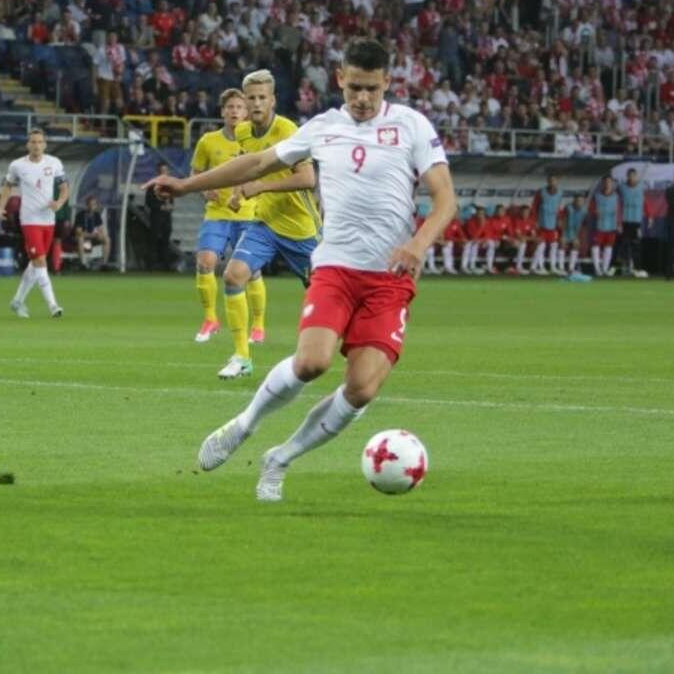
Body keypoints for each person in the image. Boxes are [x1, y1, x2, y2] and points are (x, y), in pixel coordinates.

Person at [145, 38, 456, 502]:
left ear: (387, 82)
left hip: (389, 279)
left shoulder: (411, 125)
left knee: (361, 389)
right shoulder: (323, 127)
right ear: (340, 80)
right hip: (335, 268)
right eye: (354, 87)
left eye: (372, 88)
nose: (363, 98)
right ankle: (244, 424)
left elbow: (445, 199)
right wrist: (187, 185)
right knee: (312, 362)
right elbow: (256, 162)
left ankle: (280, 458)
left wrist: (417, 243)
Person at [215, 69, 319, 380]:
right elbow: (247, 168)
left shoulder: (289, 130)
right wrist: (238, 193)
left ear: (273, 100)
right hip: (265, 224)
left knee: (325, 294)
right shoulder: (243, 132)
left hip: (301, 229)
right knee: (233, 275)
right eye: (252, 98)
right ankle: (242, 357)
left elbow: (307, 178)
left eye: (262, 97)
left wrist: (260, 187)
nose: (257, 103)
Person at [189, 88, 253, 342]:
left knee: (251, 273)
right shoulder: (208, 141)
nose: (234, 111)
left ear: (246, 112)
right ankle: (210, 319)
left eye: (239, 107)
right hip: (217, 213)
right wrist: (204, 190)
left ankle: (258, 326)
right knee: (205, 262)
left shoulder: (254, 140)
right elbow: (196, 173)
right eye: (230, 107)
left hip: (247, 213)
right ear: (223, 112)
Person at [0, 129, 68, 317]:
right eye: (33, 142)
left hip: (49, 219)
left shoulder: (54, 163)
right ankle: (53, 305)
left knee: (36, 262)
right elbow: (7, 186)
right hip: (29, 219)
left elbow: (64, 188)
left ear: (45, 144)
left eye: (40, 142)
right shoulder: (17, 165)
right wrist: (1, 208)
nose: (36, 145)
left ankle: (17, 301)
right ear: (27, 145)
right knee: (40, 261)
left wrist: (59, 203)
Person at [618, 168, 649, 277]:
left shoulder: (641, 187)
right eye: (630, 176)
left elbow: (645, 202)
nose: (632, 178)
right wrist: (618, 222)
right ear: (627, 176)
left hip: (637, 222)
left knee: (636, 245)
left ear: (636, 176)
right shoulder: (621, 187)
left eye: (634, 176)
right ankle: (626, 268)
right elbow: (618, 204)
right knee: (625, 245)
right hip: (625, 221)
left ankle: (637, 268)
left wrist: (650, 216)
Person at [145, 162, 174, 270]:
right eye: (162, 171)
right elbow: (148, 202)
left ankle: (166, 265)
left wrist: (170, 206)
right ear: (158, 172)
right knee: (153, 239)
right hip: (156, 216)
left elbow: (171, 200)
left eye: (166, 171)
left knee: (166, 240)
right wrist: (160, 207)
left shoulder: (170, 185)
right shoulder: (152, 186)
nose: (165, 173)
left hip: (167, 217)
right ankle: (150, 265)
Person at [530, 175, 562, 275]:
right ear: (547, 182)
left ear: (557, 181)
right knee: (541, 245)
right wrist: (535, 221)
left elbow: (558, 207)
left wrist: (559, 219)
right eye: (550, 181)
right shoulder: (541, 192)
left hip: (553, 224)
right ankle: (536, 267)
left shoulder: (560, 192)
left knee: (554, 245)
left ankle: (553, 267)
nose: (552, 182)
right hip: (542, 223)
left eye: (554, 181)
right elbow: (534, 207)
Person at [590, 176, 621, 276]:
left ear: (612, 184)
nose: (607, 184)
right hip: (599, 225)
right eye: (606, 182)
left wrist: (619, 224)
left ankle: (605, 269)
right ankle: (597, 269)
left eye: (609, 182)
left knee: (609, 246)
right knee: (595, 246)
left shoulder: (616, 196)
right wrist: (594, 212)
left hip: (611, 226)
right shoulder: (597, 196)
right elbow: (591, 208)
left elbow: (619, 211)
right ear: (603, 184)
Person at [73, 195, 110, 270]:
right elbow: (78, 232)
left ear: (96, 206)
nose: (91, 206)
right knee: (80, 238)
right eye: (90, 204)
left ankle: (104, 264)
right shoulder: (80, 215)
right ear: (87, 205)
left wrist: (100, 234)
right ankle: (82, 264)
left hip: (92, 241)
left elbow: (100, 229)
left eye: (94, 204)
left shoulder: (97, 215)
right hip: (84, 241)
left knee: (107, 239)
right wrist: (91, 235)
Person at [560, 193, 589, 274]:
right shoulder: (568, 208)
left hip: (576, 233)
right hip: (566, 231)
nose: (579, 203)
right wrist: (563, 235)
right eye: (578, 201)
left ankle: (571, 268)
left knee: (576, 245)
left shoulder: (585, 211)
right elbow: (563, 221)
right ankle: (561, 268)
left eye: (581, 201)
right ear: (574, 201)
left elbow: (584, 225)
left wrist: (578, 237)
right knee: (562, 244)